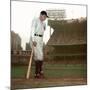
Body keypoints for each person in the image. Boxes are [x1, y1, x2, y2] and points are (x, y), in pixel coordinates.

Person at [29, 11, 48, 79]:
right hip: (35, 38)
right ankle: (39, 72)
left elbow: (44, 29)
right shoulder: (35, 20)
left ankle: (37, 73)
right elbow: (32, 29)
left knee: (38, 57)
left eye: (46, 17)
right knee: (40, 56)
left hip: (40, 39)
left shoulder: (44, 23)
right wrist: (33, 40)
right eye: (45, 16)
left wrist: (44, 25)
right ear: (41, 15)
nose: (45, 18)